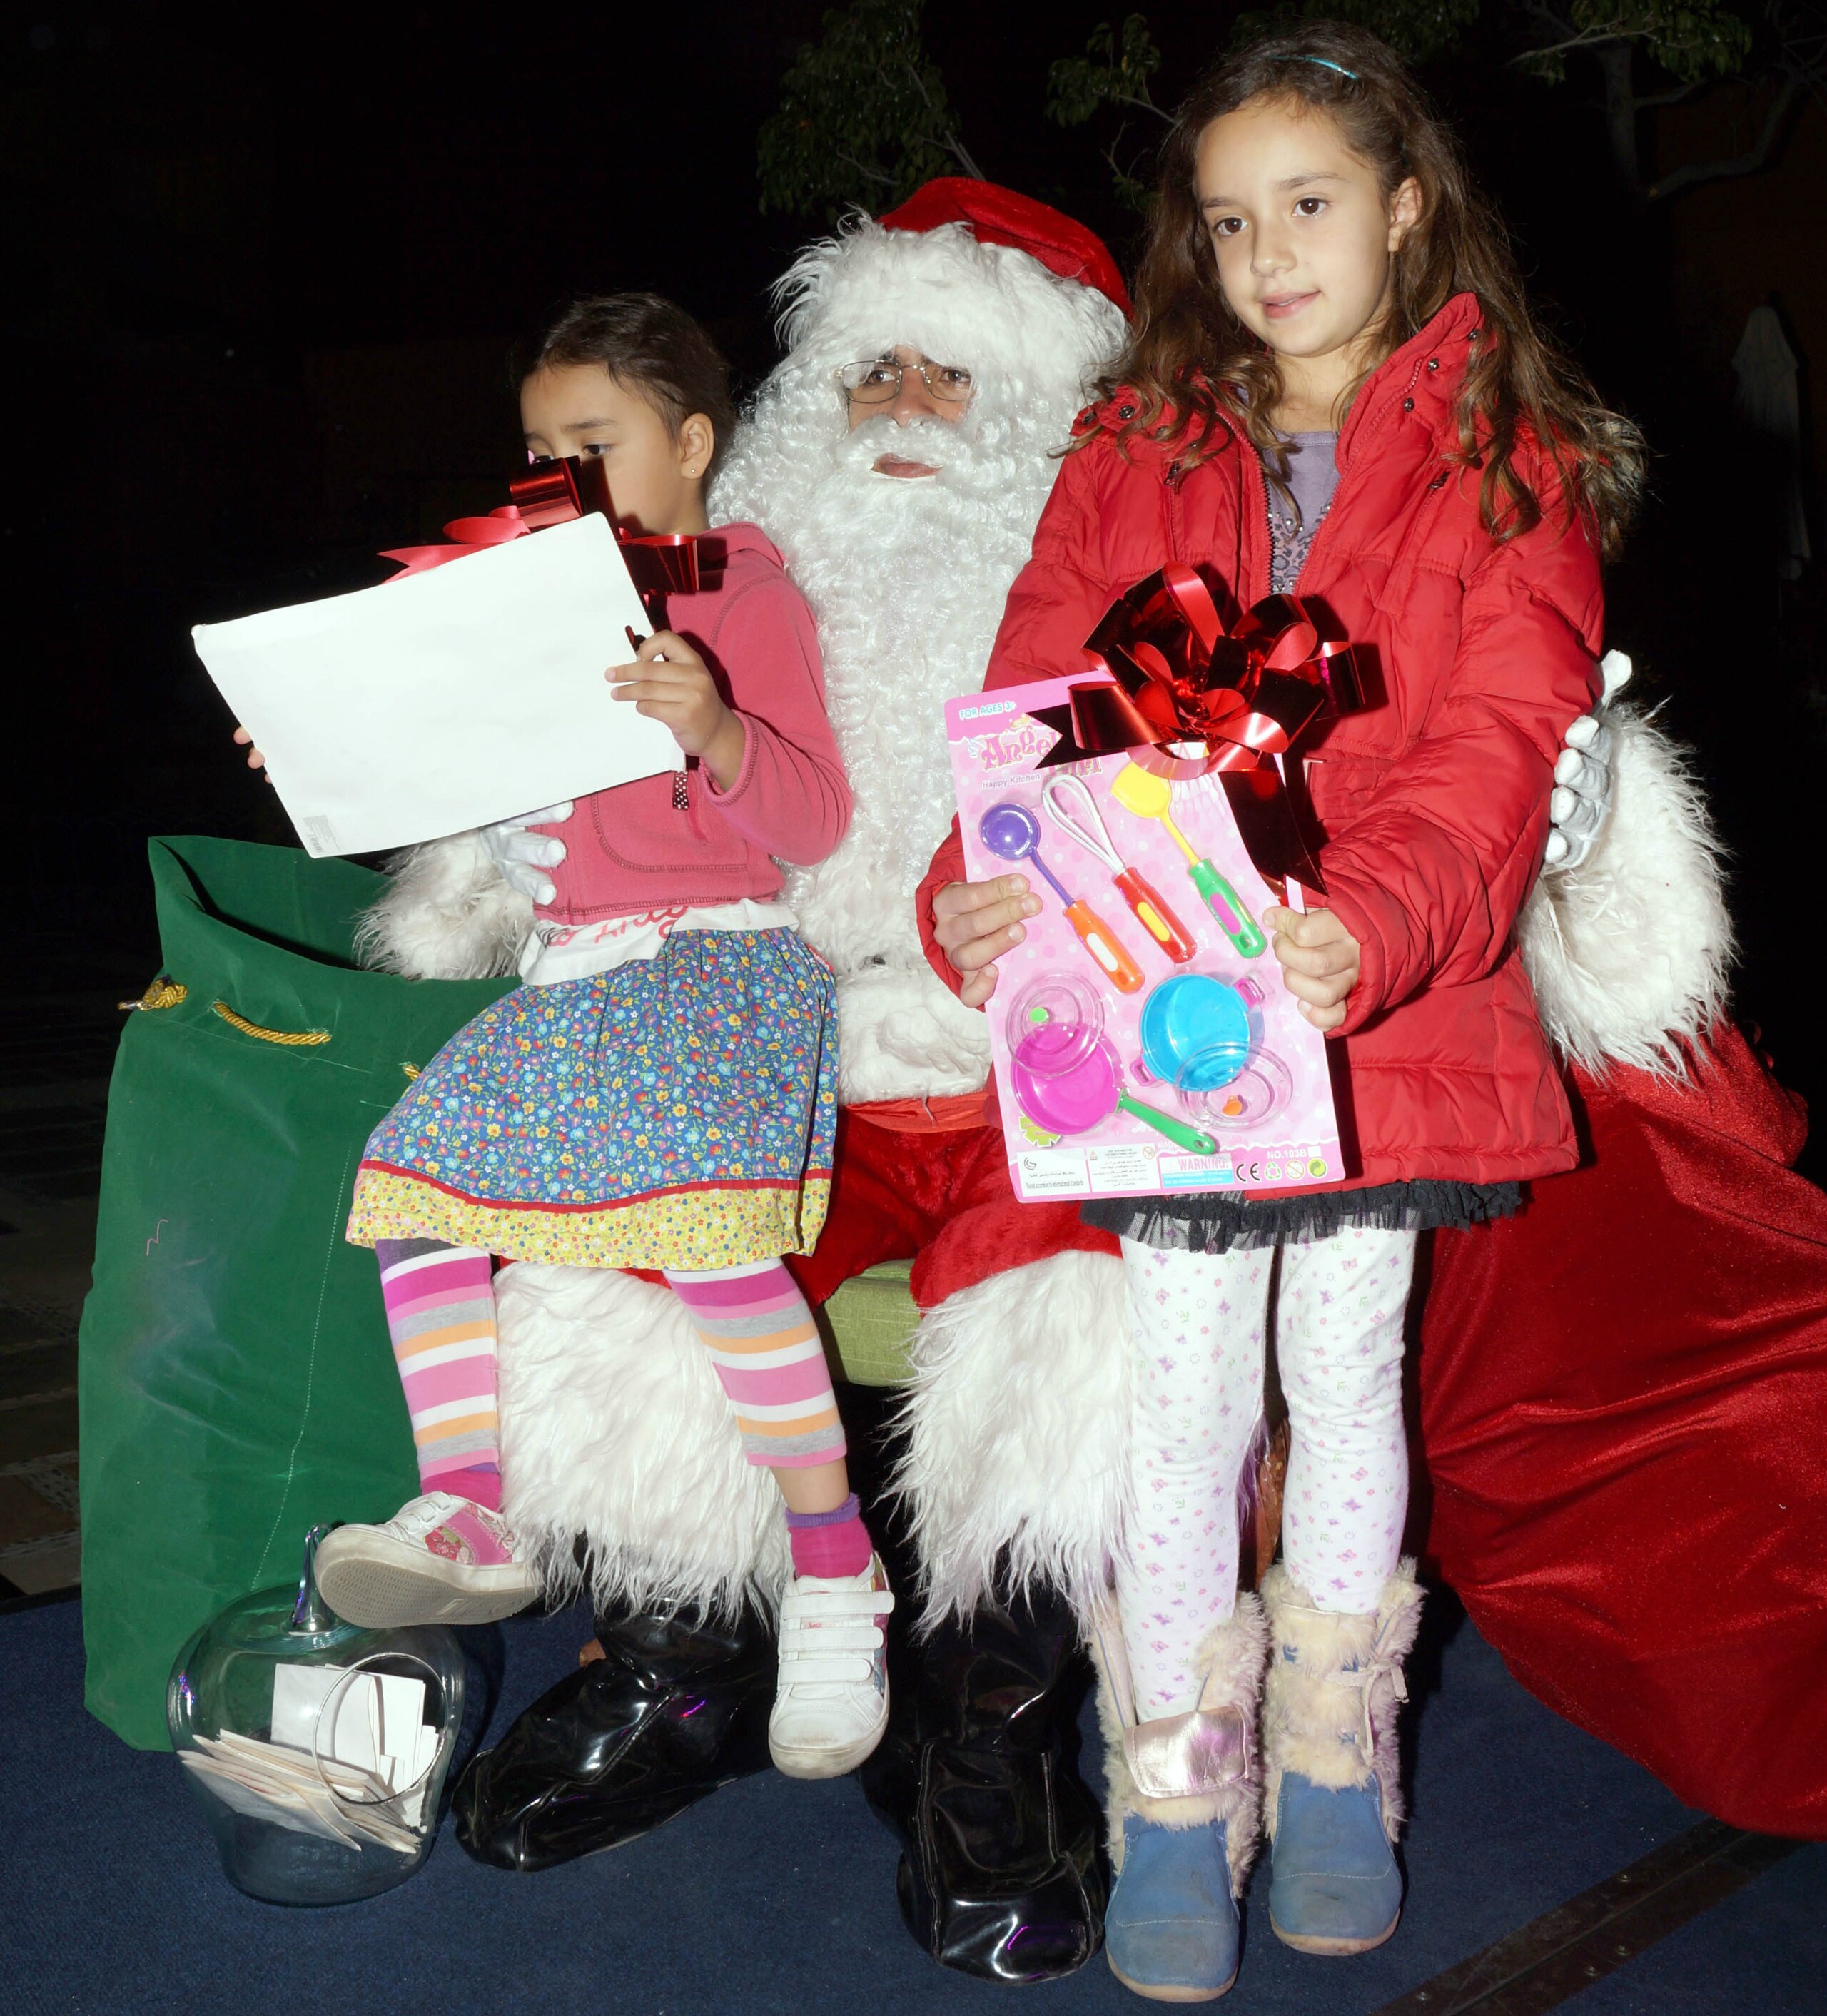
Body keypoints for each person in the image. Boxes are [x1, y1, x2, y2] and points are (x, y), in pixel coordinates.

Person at [361, 182, 1623, 1980]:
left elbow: (1422, 721)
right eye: (862, 365)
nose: (894, 403)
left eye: (947, 375)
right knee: (618, 1279)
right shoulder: (714, 569)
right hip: (782, 1025)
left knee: (1076, 1334)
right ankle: (680, 1669)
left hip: (1064, 1055)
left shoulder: (1133, 537)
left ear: (1038, 405)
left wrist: (1586, 817)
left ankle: (997, 1738)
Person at [921, 27, 1641, 1997]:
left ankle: (1332, 1759)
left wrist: (1378, 922)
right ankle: (1172, 1781)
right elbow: (1034, 693)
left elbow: (1500, 736)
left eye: (1309, 205)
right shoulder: (1133, 442)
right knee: (1176, 1405)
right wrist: (976, 886)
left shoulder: (1510, 459)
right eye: (1230, 222)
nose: (1267, 254)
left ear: (1410, 206)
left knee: (1342, 1378)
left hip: (1376, 1025)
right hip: (1160, 1029)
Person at [300, 294, 899, 1784]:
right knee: (412, 1187)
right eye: (533, 445)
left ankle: (833, 1570)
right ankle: (470, 1505)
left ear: (691, 444)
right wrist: (325, 741)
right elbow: (442, 765)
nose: (554, 470)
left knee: (706, 1239)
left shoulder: (741, 588)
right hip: (572, 981)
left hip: (713, 966)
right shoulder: (521, 598)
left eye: (594, 440)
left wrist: (715, 728)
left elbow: (811, 820)